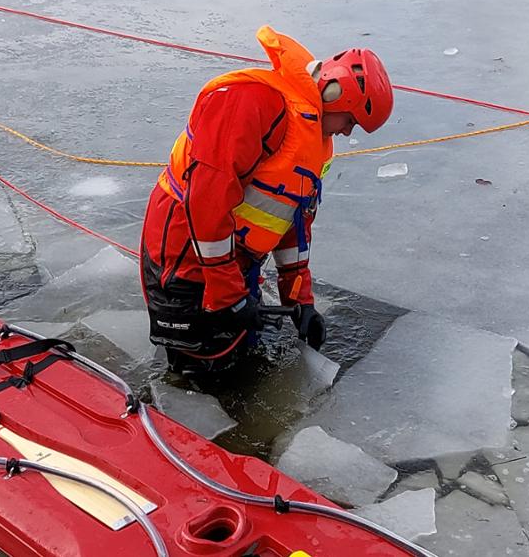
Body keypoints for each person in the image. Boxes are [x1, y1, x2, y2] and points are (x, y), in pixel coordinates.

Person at [139, 25, 393, 373]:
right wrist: (228, 295)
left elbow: (291, 221)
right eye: (350, 121)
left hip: (233, 264)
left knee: (239, 353)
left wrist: (299, 299)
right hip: (184, 253)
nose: (348, 132)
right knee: (202, 366)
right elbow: (206, 202)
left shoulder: (314, 141)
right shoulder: (252, 101)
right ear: (336, 95)